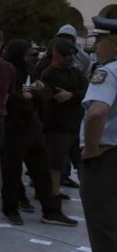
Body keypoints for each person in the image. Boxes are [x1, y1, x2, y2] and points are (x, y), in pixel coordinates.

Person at [0, 39, 75, 226]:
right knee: (12, 170)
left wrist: (35, 93)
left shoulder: (31, 70)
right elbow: (8, 96)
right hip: (13, 125)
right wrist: (28, 95)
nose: (31, 57)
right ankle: (11, 208)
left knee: (42, 168)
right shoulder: (8, 70)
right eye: (27, 54)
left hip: (32, 123)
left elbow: (40, 92)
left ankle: (51, 210)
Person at [80, 15, 117, 252]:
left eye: (100, 40)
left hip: (106, 159)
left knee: (105, 232)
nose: (96, 47)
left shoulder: (108, 72)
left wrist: (91, 150)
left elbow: (97, 112)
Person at [40, 39, 88, 200]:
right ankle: (53, 194)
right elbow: (55, 97)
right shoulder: (49, 74)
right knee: (56, 162)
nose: (70, 58)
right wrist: (73, 95)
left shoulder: (74, 72)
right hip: (57, 125)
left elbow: (86, 90)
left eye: (72, 54)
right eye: (66, 55)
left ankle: (88, 192)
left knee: (81, 161)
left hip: (75, 124)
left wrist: (72, 95)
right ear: (56, 55)